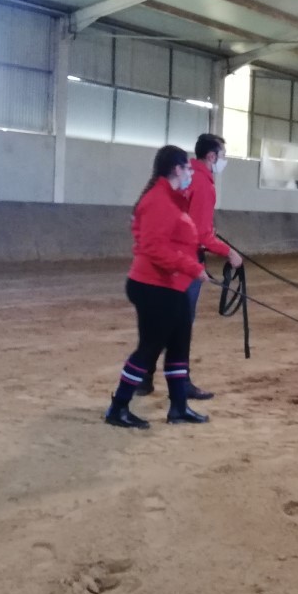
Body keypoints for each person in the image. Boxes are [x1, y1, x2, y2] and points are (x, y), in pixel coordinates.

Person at [104, 145, 211, 430]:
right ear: (177, 169)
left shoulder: (173, 199)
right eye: (188, 168)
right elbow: (153, 247)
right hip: (153, 285)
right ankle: (118, 407)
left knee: (178, 345)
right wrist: (192, 267)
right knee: (149, 348)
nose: (191, 172)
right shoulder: (159, 201)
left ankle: (178, 407)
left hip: (171, 286)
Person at [135, 134, 243, 399]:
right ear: (212, 156)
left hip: (160, 261)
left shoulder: (179, 178)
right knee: (180, 325)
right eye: (223, 155)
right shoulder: (204, 185)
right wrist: (230, 253)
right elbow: (202, 235)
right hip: (184, 262)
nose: (223, 160)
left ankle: (143, 377)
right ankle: (179, 383)